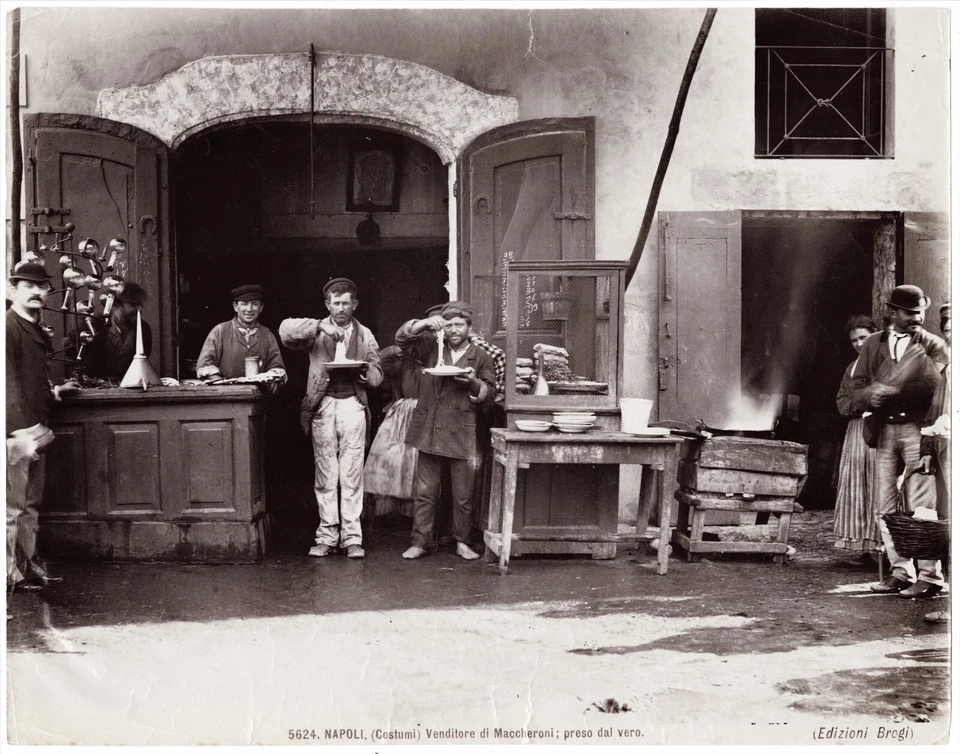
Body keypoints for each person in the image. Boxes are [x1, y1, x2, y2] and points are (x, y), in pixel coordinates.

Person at [851, 285, 950, 598]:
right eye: (909, 312)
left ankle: (930, 577)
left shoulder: (934, 345)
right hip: (885, 432)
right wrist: (870, 396)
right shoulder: (873, 344)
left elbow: (934, 388)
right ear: (892, 312)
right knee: (885, 505)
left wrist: (893, 391)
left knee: (923, 506)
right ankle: (901, 572)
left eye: (920, 312)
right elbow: (857, 385)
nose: (917, 318)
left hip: (919, 432)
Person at [279, 278, 382, 559]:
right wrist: (319, 326)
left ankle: (352, 539)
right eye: (336, 303)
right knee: (325, 474)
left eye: (346, 303)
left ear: (354, 304)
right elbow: (285, 332)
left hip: (353, 406)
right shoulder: (317, 330)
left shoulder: (365, 334)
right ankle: (326, 536)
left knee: (351, 474)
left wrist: (364, 372)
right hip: (323, 406)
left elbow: (377, 373)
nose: (341, 308)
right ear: (327, 305)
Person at [396, 301, 496, 560]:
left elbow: (490, 394)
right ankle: (420, 542)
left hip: (462, 431)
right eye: (449, 325)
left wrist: (473, 382)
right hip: (429, 428)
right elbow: (402, 339)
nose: (453, 330)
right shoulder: (432, 347)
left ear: (470, 327)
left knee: (463, 494)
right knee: (425, 492)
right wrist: (424, 323)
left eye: (459, 325)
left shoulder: (481, 357)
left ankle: (462, 542)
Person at [6, 263, 78, 597]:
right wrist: (18, 430)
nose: (37, 292)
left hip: (34, 428)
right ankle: (9, 574)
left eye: (42, 287)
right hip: (17, 432)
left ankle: (27, 566)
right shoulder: (8, 327)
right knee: (12, 507)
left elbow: (32, 379)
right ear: (13, 291)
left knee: (29, 505)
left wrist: (54, 392)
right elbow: (6, 383)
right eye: (28, 286)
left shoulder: (30, 327)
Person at [833, 315, 881, 557]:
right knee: (857, 486)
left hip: (880, 430)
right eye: (854, 340)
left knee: (879, 485)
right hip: (856, 433)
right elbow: (842, 401)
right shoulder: (851, 369)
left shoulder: (887, 362)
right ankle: (865, 547)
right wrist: (860, 405)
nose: (860, 344)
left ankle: (885, 549)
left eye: (864, 337)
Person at [920, 303, 951, 623]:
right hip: (944, 452)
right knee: (946, 519)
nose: (950, 329)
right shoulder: (942, 367)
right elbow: (932, 410)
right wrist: (928, 447)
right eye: (946, 326)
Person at [196, 285, 286, 381]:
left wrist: (271, 380)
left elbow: (276, 368)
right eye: (244, 304)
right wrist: (222, 383)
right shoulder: (220, 331)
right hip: (225, 389)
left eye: (255, 304)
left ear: (261, 308)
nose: (249, 309)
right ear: (235, 306)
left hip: (258, 390)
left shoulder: (267, 335)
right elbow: (205, 365)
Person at [78, 282, 151, 382]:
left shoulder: (144, 329)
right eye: (133, 304)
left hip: (128, 385)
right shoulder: (95, 323)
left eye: (140, 304)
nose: (140, 309)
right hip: (95, 385)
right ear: (117, 304)